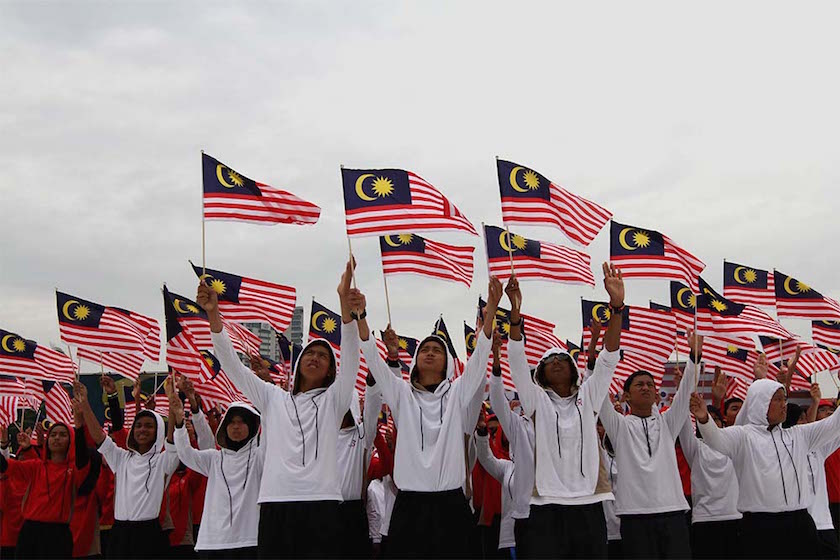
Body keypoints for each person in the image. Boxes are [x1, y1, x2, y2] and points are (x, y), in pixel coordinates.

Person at [197, 259, 360, 558]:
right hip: (275, 503)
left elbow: (351, 358)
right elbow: (232, 365)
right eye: (310, 352)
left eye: (324, 356)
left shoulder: (334, 401)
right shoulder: (273, 398)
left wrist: (344, 304)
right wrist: (214, 315)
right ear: (298, 365)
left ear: (329, 371)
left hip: (321, 503)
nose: (316, 357)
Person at [354, 275, 503, 557]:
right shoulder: (401, 394)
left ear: (448, 362)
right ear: (416, 360)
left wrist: (492, 312)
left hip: (451, 506)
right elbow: (373, 358)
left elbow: (478, 362)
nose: (431, 353)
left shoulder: (458, 392)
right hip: (409, 507)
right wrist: (361, 316)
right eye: (425, 349)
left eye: (437, 350)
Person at [507, 263, 624, 558]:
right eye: (550, 360)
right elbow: (518, 365)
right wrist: (516, 313)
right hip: (546, 504)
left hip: (589, 501)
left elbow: (609, 359)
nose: (557, 362)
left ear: (573, 369)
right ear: (542, 373)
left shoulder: (589, 396)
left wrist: (617, 307)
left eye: (562, 358)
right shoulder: (537, 402)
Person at [692, 374, 840, 559]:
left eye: (784, 399)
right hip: (760, 527)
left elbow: (835, 424)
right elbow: (716, 440)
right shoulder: (743, 436)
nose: (783, 404)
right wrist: (704, 419)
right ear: (760, 403)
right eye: (777, 399)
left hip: (800, 523)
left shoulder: (799, 435)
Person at [598, 330, 700, 559]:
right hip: (635, 518)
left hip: (673, 513)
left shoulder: (667, 423)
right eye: (639, 385)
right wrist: (599, 357)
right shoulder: (619, 427)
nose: (646, 388)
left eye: (650, 385)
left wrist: (694, 356)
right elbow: (598, 395)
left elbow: (685, 393)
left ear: (656, 394)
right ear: (625, 396)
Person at [77, 378, 180, 558]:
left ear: (159, 431)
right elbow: (99, 437)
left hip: (149, 535)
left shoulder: (164, 461)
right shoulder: (122, 458)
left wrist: (172, 403)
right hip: (119, 534)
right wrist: (85, 403)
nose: (142, 430)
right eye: (138, 426)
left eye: (149, 426)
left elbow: (172, 439)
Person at [171, 387, 263, 559]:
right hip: (213, 541)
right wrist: (178, 422)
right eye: (231, 422)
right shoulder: (214, 459)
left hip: (249, 541)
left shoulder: (260, 456)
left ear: (251, 426)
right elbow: (185, 453)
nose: (236, 427)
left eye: (242, 422)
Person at [0, 394, 93, 558]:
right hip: (29, 532)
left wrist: (79, 426)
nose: (57, 438)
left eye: (63, 434)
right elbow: (6, 466)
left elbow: (84, 455)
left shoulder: (74, 470)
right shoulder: (36, 466)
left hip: (57, 535)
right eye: (53, 434)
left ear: (71, 440)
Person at [677, 367, 741, 559]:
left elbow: (748, 418)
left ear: (723, 423)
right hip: (705, 520)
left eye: (716, 420)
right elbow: (682, 422)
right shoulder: (695, 448)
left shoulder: (737, 445)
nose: (711, 424)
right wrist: (684, 387)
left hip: (736, 518)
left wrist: (719, 400)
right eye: (707, 420)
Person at [474, 411, 515, 558]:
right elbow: (485, 455)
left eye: (497, 429)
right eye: (492, 430)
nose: (496, 433)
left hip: (521, 522)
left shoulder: (527, 464)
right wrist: (482, 430)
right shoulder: (503, 464)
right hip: (492, 518)